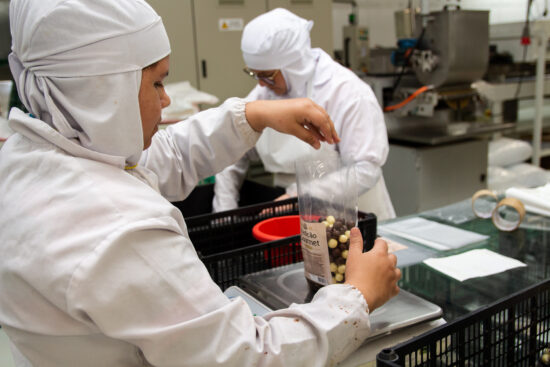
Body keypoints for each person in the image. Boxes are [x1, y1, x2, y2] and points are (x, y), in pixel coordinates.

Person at [0, 1, 401, 366]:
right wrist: (355, 300)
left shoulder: (30, 157)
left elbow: (164, 156)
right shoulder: (120, 231)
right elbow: (246, 356)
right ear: (105, 91)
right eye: (157, 84)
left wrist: (252, 115)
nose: (166, 100)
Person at [213, 8, 396, 221]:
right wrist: (225, 215)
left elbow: (366, 170)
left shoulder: (347, 93)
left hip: (353, 213)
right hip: (293, 213)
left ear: (294, 65)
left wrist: (298, 197)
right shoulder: (264, 93)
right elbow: (233, 152)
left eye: (268, 76)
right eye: (254, 75)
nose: (261, 84)